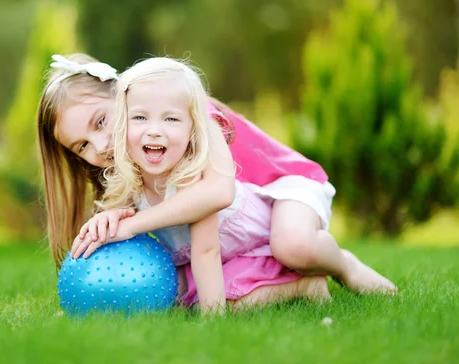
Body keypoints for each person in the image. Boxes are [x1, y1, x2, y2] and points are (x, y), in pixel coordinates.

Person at [37, 53, 396, 295]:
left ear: (126, 92)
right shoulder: (134, 158)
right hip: (233, 229)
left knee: (294, 245)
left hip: (280, 189)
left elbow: (218, 193)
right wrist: (115, 215)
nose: (99, 145)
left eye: (100, 122)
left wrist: (130, 225)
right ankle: (298, 285)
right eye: (81, 146)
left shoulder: (186, 114)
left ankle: (343, 266)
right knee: (191, 291)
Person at [78, 57, 334, 313]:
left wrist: (212, 320)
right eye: (140, 118)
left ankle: (306, 286)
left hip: (253, 248)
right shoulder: (129, 179)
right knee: (177, 299)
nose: (154, 131)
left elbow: (206, 251)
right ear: (122, 125)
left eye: (171, 120)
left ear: (193, 129)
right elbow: (122, 240)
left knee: (225, 302)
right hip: (223, 256)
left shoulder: (192, 179)